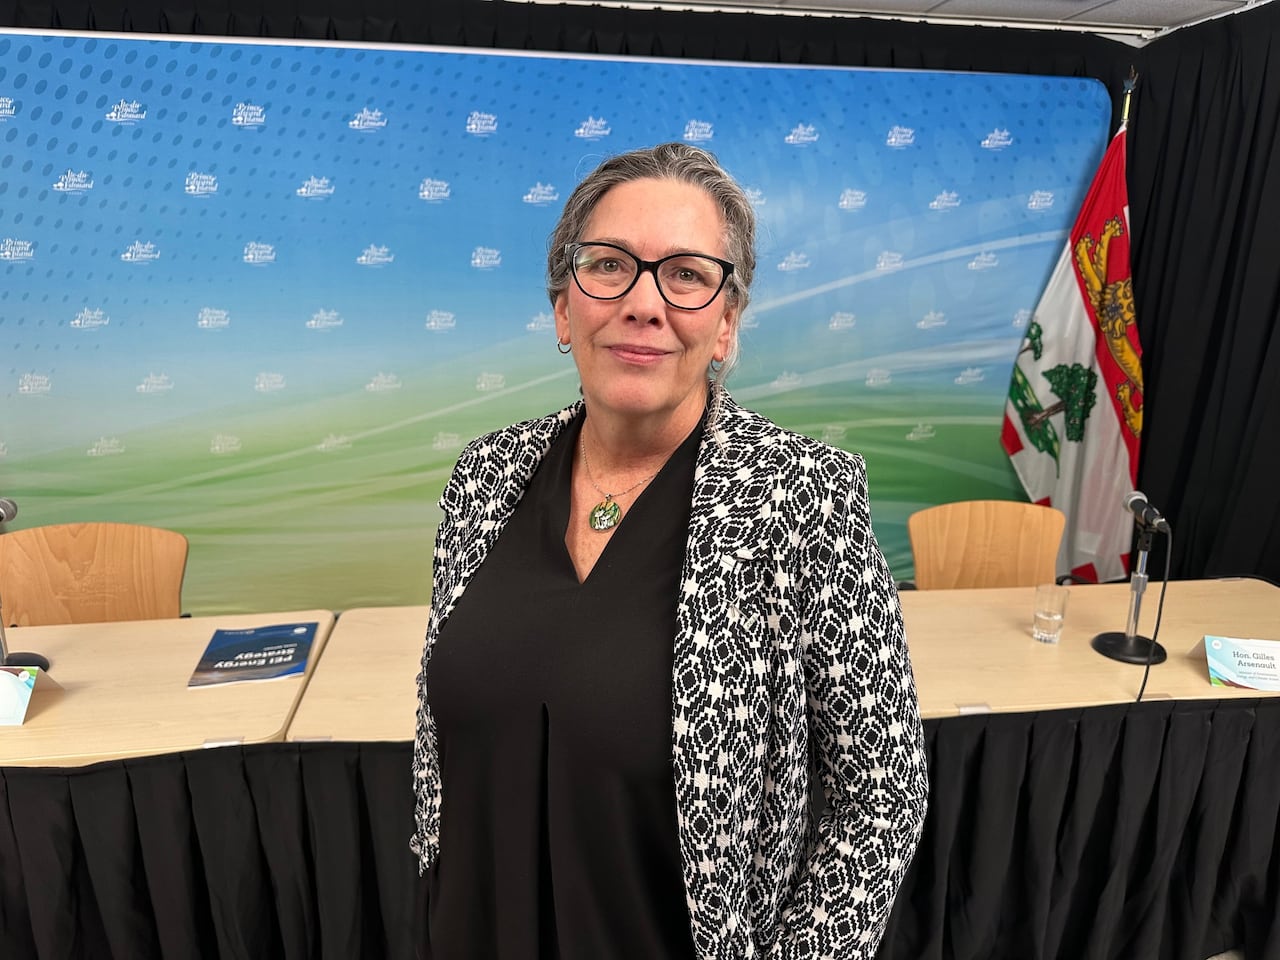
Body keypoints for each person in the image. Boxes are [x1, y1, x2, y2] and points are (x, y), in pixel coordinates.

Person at [412, 142, 928, 959]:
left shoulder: (801, 496)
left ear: (725, 323)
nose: (644, 303)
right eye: (609, 265)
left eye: (686, 274)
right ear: (561, 309)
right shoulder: (486, 475)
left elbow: (883, 795)